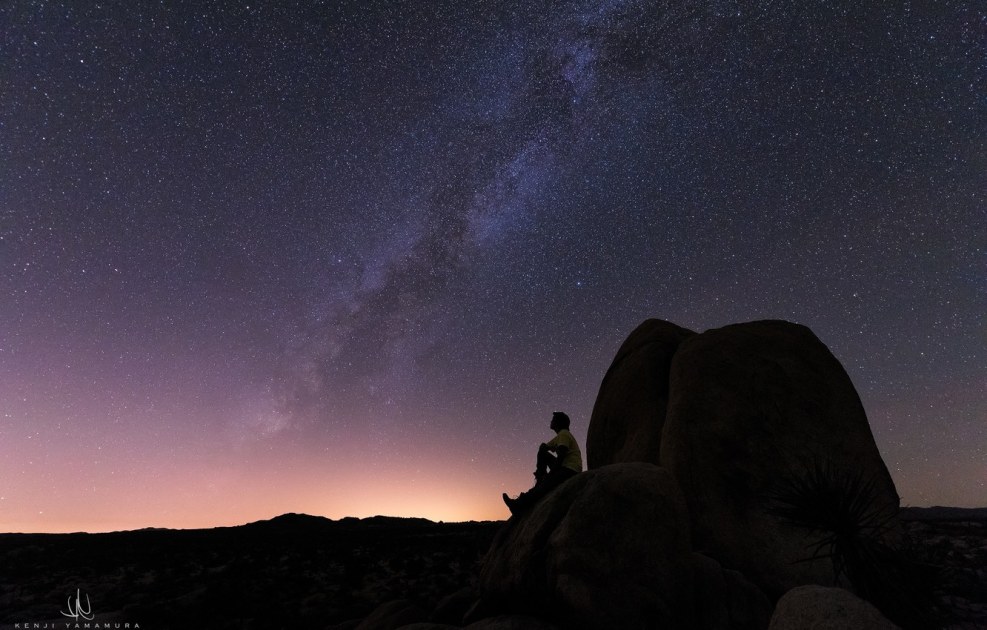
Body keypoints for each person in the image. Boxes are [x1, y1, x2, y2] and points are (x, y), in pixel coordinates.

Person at [502, 411, 583, 515]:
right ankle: (540, 477)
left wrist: (551, 473)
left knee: (543, 486)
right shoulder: (562, 435)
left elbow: (561, 455)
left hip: (569, 469)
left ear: (559, 422)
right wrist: (544, 450)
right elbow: (543, 448)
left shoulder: (564, 434)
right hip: (566, 467)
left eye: (553, 419)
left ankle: (518, 505)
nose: (551, 421)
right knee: (542, 455)